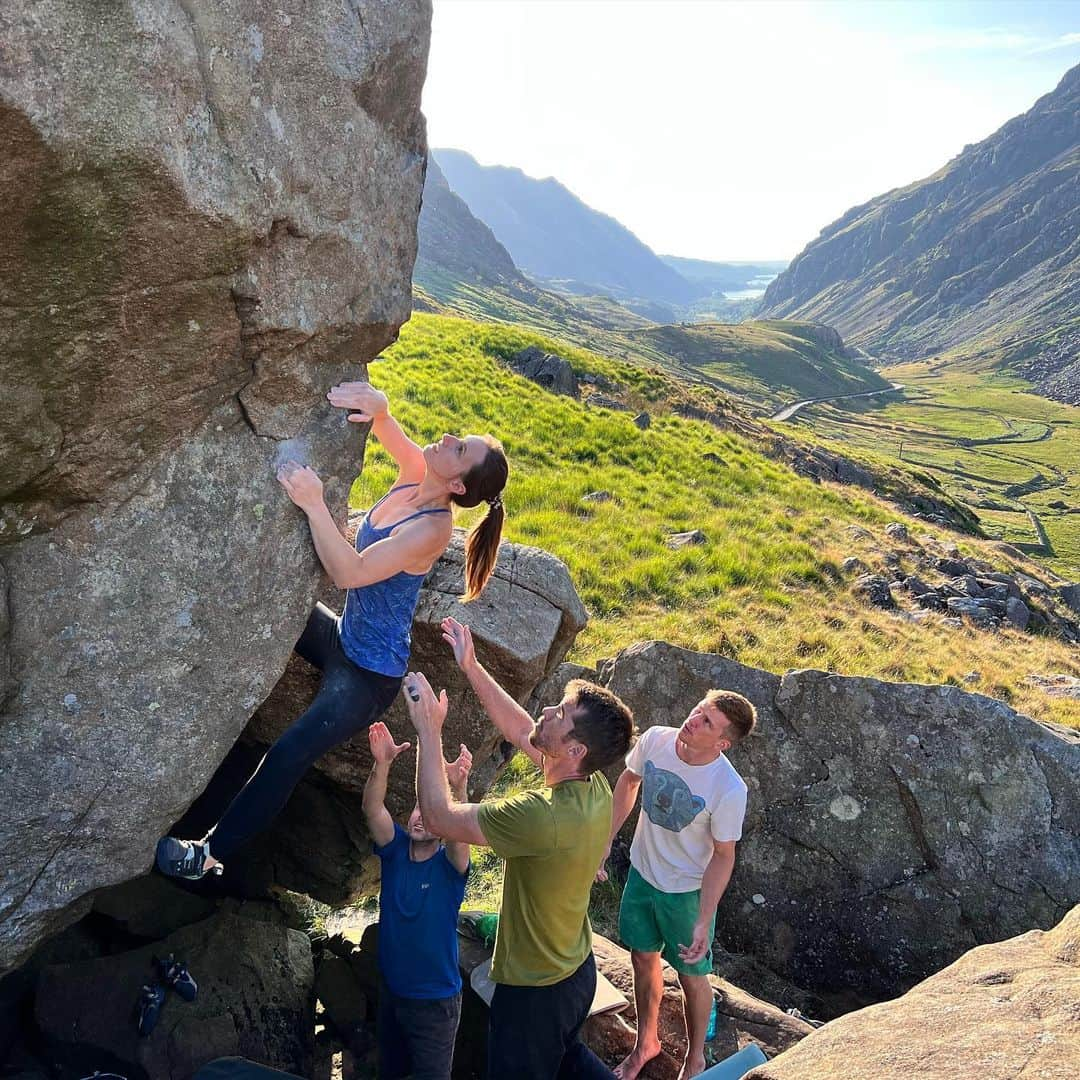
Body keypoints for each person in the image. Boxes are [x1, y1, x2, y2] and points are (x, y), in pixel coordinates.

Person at [156, 381, 508, 879]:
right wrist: (380, 408)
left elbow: (349, 573)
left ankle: (207, 855)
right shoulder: (415, 474)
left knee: (289, 752)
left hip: (369, 675)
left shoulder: (433, 528)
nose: (447, 438)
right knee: (266, 611)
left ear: (458, 486)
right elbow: (387, 426)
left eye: (459, 448)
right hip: (341, 634)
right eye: (457, 437)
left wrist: (315, 503)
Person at [400, 617, 636, 1080]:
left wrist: (428, 729)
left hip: (534, 994)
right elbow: (520, 728)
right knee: (567, 1060)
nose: (547, 711)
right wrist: (470, 666)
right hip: (575, 973)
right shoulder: (594, 786)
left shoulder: (539, 816)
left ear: (574, 750)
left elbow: (438, 817)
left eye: (561, 715)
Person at [596, 692, 756, 1080]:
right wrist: (605, 842)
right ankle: (645, 1044)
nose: (693, 720)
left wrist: (704, 918)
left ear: (723, 743)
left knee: (691, 976)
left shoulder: (728, 789)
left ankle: (695, 1058)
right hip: (642, 874)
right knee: (642, 957)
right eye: (698, 711)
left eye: (707, 722)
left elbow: (723, 855)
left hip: (685, 893)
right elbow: (629, 781)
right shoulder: (656, 740)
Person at [363, 720, 472, 1080]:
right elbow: (372, 807)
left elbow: (460, 827)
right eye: (416, 810)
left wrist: (458, 787)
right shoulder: (394, 851)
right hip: (393, 994)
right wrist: (383, 763)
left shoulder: (450, 866)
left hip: (435, 1004)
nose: (420, 818)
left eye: (430, 813)